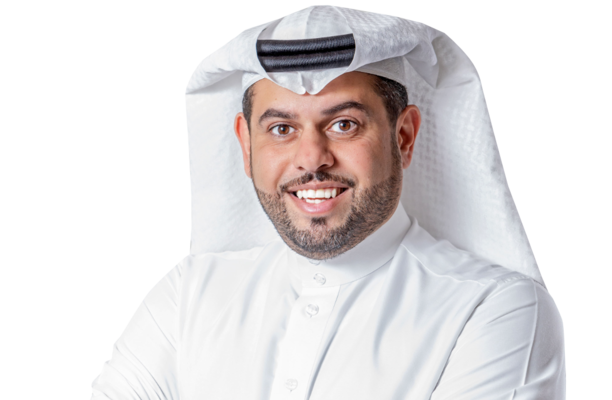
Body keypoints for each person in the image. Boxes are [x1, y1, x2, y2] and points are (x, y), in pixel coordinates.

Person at [90, 5, 567, 399]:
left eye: (344, 125)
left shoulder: (494, 308)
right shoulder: (187, 295)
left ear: (403, 136)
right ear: (246, 147)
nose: (312, 158)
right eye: (282, 129)